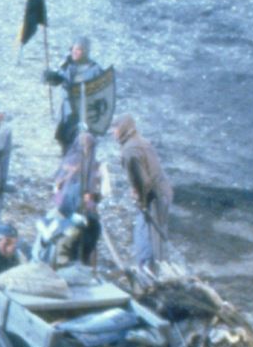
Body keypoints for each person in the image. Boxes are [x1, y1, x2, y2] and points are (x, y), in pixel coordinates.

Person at [34, 133, 109, 269]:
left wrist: (90, 199)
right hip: (71, 211)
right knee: (63, 239)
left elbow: (101, 192)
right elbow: (58, 186)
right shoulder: (80, 162)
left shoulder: (87, 165)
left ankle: (76, 267)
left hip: (77, 211)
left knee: (84, 238)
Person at [111, 114, 172, 271]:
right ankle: (159, 266)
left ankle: (145, 268)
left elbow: (143, 182)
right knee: (156, 233)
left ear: (123, 129)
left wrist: (142, 201)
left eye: (115, 129)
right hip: (163, 191)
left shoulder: (129, 151)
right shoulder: (140, 141)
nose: (112, 132)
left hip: (155, 196)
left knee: (143, 233)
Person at [44, 37, 111, 153]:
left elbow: (101, 95)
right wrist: (51, 77)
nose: (74, 52)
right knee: (63, 142)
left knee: (80, 147)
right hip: (67, 113)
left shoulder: (95, 70)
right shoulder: (67, 65)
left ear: (85, 51)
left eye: (78, 49)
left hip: (83, 115)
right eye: (73, 49)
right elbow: (59, 79)